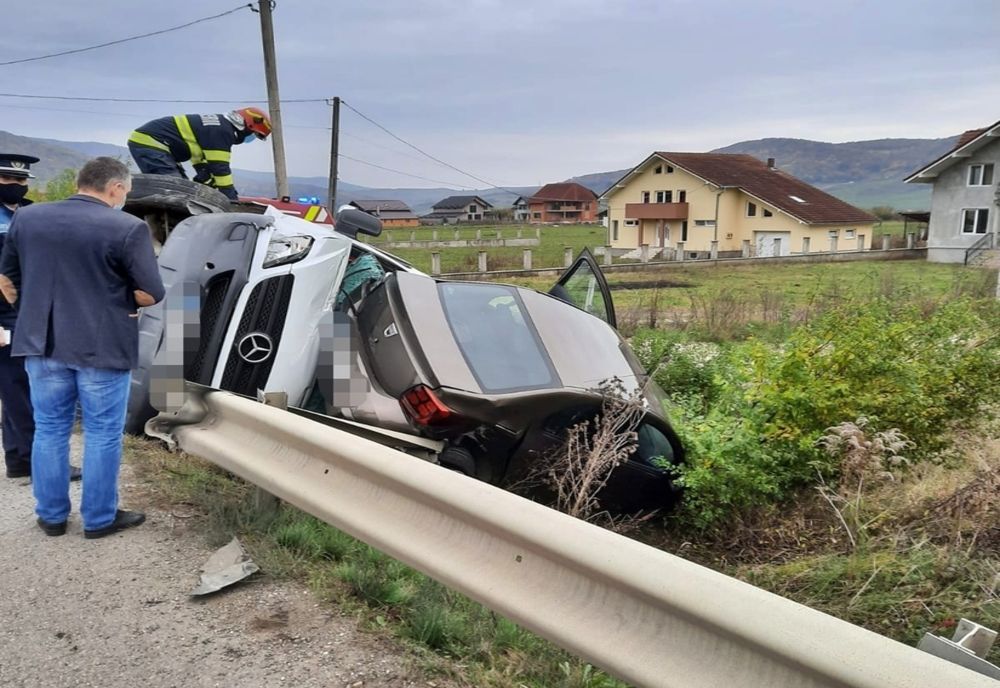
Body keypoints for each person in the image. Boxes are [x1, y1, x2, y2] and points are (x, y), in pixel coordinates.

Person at [0, 157, 165, 539]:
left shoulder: (28, 218)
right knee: (103, 433)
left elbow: (7, 280)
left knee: (49, 429)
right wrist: (122, 301)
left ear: (79, 182)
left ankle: (52, 517)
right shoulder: (128, 227)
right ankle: (99, 518)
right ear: (117, 188)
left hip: (40, 343)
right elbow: (150, 293)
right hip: (102, 346)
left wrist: (32, 310)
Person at [0, 154, 82, 482]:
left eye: (21, 181)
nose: (16, 187)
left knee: (20, 389)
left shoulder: (28, 214)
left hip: (29, 312)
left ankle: (21, 459)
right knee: (22, 389)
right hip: (5, 317)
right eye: (8, 180)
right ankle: (38, 464)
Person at [126, 107, 272, 200]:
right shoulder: (222, 131)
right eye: (254, 134)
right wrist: (231, 198)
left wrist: (206, 178)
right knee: (173, 190)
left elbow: (198, 158)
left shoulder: (218, 125)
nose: (251, 139)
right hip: (151, 143)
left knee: (183, 187)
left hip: (157, 145)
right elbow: (220, 168)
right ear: (248, 126)